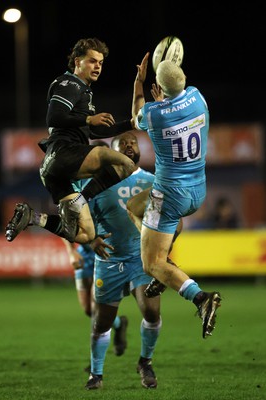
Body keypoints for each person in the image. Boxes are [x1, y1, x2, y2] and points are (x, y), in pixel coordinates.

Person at [126, 53, 221, 339]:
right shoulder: (198, 97)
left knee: (151, 264)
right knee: (134, 206)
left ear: (160, 86)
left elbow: (136, 116)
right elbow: (178, 99)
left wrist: (139, 85)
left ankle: (201, 298)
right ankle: (167, 268)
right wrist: (166, 96)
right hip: (198, 190)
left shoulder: (154, 114)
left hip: (168, 195)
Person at [5, 37, 135, 245]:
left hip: (53, 168)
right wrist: (88, 118)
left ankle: (32, 217)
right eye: (92, 61)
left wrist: (131, 123)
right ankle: (84, 197)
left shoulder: (83, 90)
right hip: (64, 152)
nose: (98, 66)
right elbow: (54, 117)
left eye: (101, 63)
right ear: (77, 61)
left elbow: (93, 132)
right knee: (125, 163)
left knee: (86, 234)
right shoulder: (70, 84)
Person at [83, 131, 161, 390]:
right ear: (111, 153)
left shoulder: (153, 181)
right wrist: (92, 240)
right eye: (122, 144)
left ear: (139, 150)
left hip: (141, 259)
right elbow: (82, 222)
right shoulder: (96, 185)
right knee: (102, 322)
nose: (129, 146)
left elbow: (165, 219)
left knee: (151, 312)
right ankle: (96, 374)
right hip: (109, 260)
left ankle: (145, 362)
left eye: (133, 143)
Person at [62, 239, 128, 372]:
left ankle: (95, 365)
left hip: (105, 255)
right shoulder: (80, 216)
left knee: (95, 307)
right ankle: (119, 323)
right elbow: (64, 226)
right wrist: (71, 251)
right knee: (88, 309)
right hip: (84, 256)